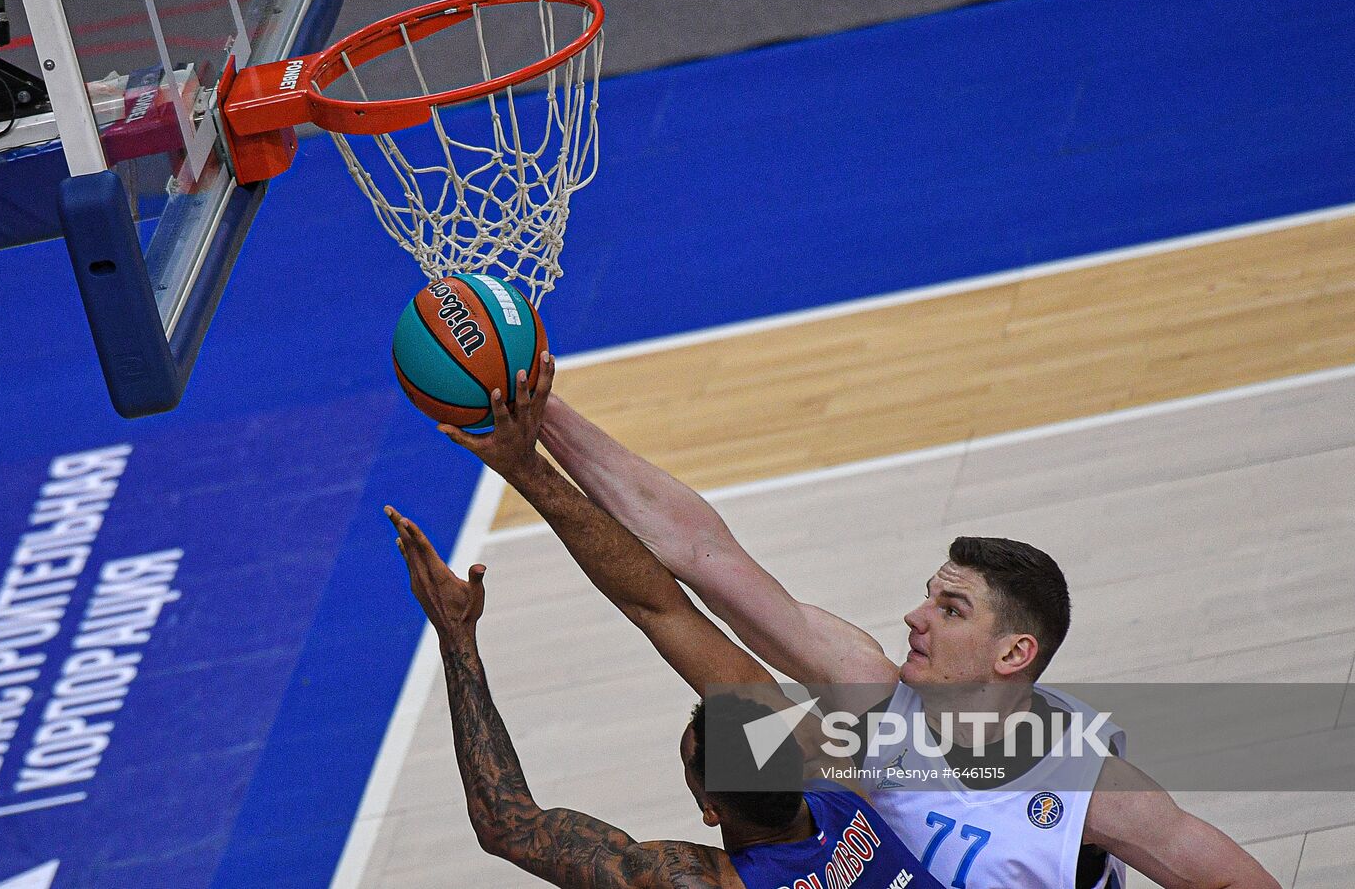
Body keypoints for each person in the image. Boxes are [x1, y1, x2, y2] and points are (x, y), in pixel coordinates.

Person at [437, 354, 1280, 889]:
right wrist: (541, 414)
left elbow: (513, 819)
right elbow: (702, 556)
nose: (915, 615)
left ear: (1013, 651)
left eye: (949, 608)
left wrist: (464, 624)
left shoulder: (1078, 783)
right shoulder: (863, 721)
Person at [384, 503, 946, 889]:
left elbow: (506, 823)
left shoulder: (696, 880)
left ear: (710, 808)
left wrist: (457, 637)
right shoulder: (849, 792)